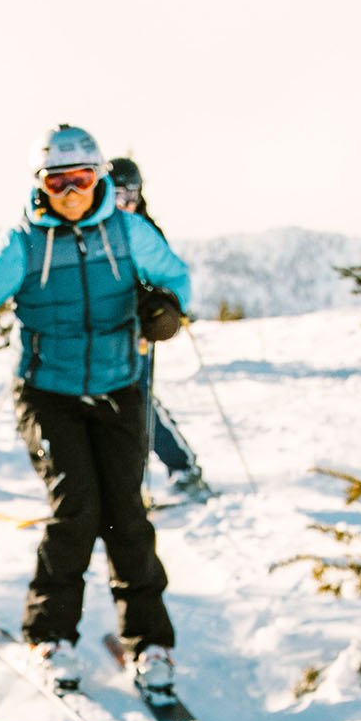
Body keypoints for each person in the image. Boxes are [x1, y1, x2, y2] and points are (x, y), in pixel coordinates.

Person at [0, 125, 191, 692]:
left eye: (81, 179)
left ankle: (150, 644)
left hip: (119, 385)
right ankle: (50, 635)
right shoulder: (21, 243)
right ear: (40, 185)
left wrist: (167, 309)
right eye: (57, 181)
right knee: (77, 508)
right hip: (47, 392)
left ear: (98, 178)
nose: (70, 192)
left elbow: (175, 276)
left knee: (126, 513)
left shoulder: (127, 230)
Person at [106, 154, 213, 506]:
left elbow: (169, 279)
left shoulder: (143, 229)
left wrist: (164, 308)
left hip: (138, 331)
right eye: (117, 194)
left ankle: (181, 466)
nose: (125, 202)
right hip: (105, 330)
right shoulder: (99, 231)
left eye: (131, 194)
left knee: (138, 400)